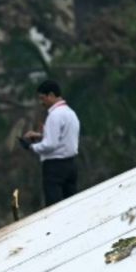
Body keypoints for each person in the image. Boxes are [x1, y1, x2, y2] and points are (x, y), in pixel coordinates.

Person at [20, 79, 81, 207]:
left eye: (42, 98)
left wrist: (31, 146)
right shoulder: (71, 113)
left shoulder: (54, 115)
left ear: (51, 95)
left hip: (55, 167)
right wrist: (40, 136)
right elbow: (64, 138)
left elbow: (50, 145)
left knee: (54, 207)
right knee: (72, 205)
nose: (41, 102)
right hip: (71, 165)